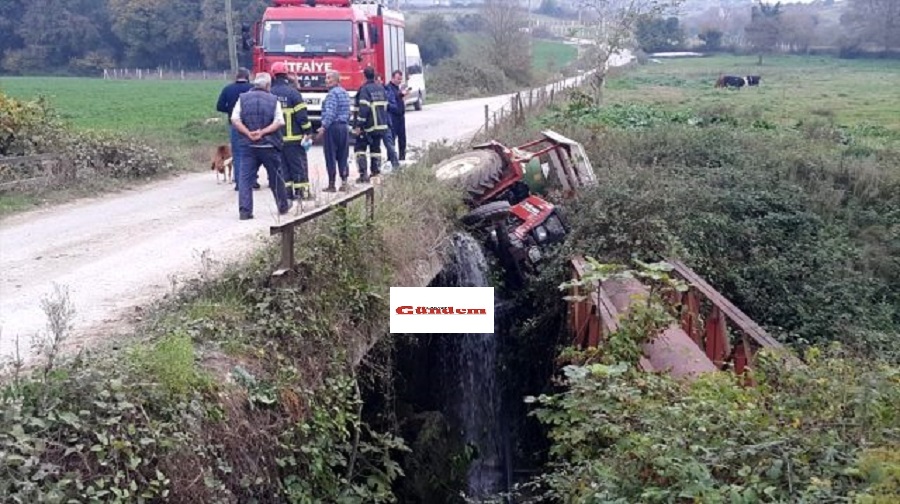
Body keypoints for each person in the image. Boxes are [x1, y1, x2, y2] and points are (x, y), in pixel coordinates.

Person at [231, 72, 292, 220]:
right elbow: (279, 122)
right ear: (268, 86)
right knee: (276, 177)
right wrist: (262, 132)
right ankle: (283, 205)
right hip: (269, 145)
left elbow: (235, 119)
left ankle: (245, 211)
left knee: (245, 179)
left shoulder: (242, 98)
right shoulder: (273, 100)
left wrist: (248, 133)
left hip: (248, 145)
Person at [270, 62, 314, 201]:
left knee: (283, 167)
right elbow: (302, 116)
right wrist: (308, 131)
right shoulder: (293, 93)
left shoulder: (269, 94)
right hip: (294, 139)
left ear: (273, 74)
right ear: (287, 74)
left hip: (276, 139)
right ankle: (302, 193)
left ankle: (287, 193)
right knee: (297, 166)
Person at [216, 67, 259, 191]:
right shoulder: (252, 89)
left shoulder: (228, 89)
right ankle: (253, 180)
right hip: (252, 125)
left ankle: (240, 182)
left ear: (236, 77)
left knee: (238, 153)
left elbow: (219, 106)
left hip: (234, 124)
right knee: (253, 152)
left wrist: (231, 110)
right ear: (247, 76)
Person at [351, 67, 389, 183]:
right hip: (381, 125)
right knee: (375, 149)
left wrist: (359, 125)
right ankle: (375, 172)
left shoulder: (364, 90)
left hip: (368, 126)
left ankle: (363, 175)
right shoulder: (381, 88)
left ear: (364, 76)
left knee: (360, 149)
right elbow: (385, 107)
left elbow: (363, 109)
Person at [316, 70, 352, 192]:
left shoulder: (332, 94)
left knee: (330, 156)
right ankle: (344, 182)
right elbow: (349, 112)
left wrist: (323, 127)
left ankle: (331, 184)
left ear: (336, 80)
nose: (326, 80)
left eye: (329, 78)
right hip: (343, 127)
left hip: (333, 128)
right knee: (343, 155)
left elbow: (330, 112)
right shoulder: (344, 93)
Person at [375, 74, 400, 170]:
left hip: (385, 123)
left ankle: (396, 167)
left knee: (390, 145)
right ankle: (376, 168)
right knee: (375, 148)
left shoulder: (387, 91)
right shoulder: (369, 92)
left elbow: (394, 106)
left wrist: (386, 105)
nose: (378, 83)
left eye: (379, 81)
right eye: (376, 82)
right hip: (374, 124)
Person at [385, 69, 408, 161]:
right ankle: (391, 159)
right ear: (393, 78)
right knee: (392, 139)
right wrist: (399, 95)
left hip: (401, 117)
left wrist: (401, 95)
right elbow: (389, 102)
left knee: (402, 139)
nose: (399, 81)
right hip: (393, 117)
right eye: (398, 79)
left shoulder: (398, 88)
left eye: (401, 79)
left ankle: (402, 158)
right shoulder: (388, 88)